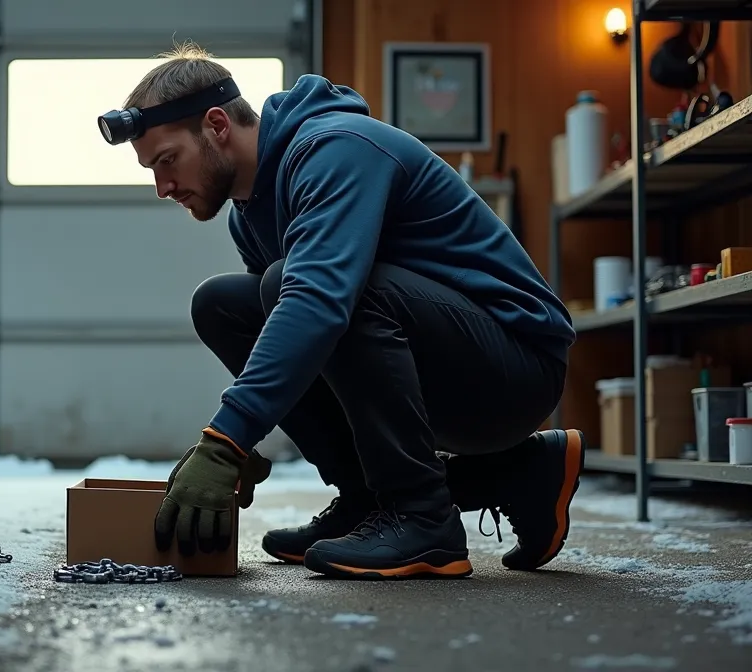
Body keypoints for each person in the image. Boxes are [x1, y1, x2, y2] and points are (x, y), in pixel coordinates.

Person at [103, 45, 584, 580]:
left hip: (515, 368)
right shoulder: (247, 215)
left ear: (217, 126)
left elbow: (317, 300)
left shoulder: (335, 148)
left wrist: (225, 441)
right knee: (223, 304)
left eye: (167, 160)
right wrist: (242, 444)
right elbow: (293, 335)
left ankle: (422, 518)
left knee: (306, 287)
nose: (163, 187)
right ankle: (379, 499)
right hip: (441, 367)